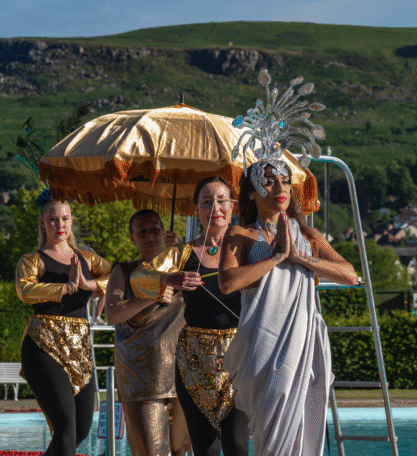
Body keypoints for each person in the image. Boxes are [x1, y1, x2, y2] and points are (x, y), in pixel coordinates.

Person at [218, 155, 358, 456]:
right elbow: (228, 283)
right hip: (263, 342)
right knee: (271, 427)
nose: (279, 186)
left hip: (303, 340)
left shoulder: (308, 236)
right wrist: (277, 257)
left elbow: (350, 275)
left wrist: (300, 257)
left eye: (284, 180)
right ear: (252, 193)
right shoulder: (241, 234)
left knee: (306, 422)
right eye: (268, 181)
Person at [127, 177, 249, 456]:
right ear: (197, 209)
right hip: (194, 361)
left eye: (221, 200)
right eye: (207, 201)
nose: (215, 207)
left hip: (239, 357)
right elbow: (138, 278)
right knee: (205, 449)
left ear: (232, 206)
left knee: (238, 444)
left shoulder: (247, 247)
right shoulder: (181, 253)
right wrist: (169, 278)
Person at [15, 190, 112, 456]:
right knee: (66, 425)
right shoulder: (32, 260)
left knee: (81, 428)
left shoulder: (86, 257)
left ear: (71, 221)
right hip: (43, 345)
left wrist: (89, 284)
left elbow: (115, 275)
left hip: (79, 346)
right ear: (42, 223)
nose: (60, 225)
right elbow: (25, 290)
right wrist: (66, 288)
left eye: (65, 218)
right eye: (53, 219)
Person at [104, 209, 191, 456]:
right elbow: (113, 313)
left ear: (164, 232)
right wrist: (151, 295)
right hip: (140, 376)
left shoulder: (180, 267)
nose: (149, 235)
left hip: (181, 372)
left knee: (178, 449)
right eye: (141, 231)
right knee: (152, 452)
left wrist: (182, 249)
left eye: (154, 228)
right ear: (132, 237)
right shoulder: (124, 270)